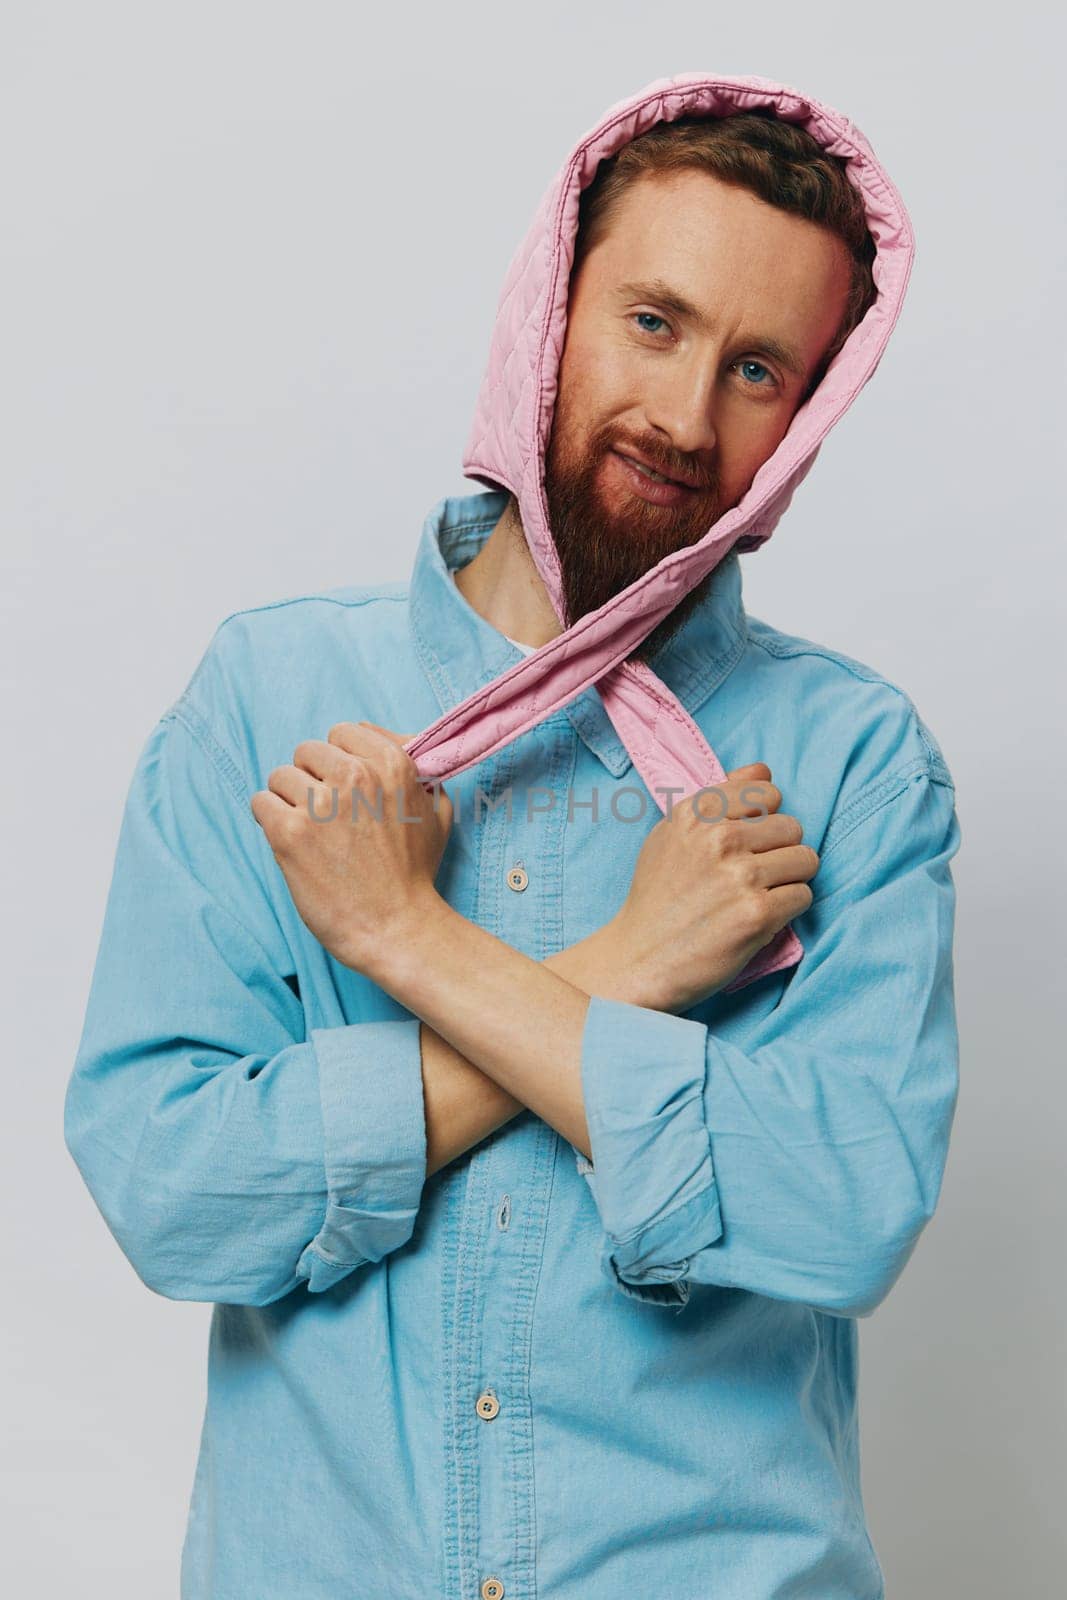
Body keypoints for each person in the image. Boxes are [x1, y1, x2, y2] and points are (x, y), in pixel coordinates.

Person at [64, 74, 961, 1599]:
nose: (684, 420)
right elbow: (172, 1195)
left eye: (757, 369)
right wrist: (627, 968)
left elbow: (843, 1213)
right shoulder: (270, 701)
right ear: (545, 318)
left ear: (807, 417)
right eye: (653, 324)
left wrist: (403, 936)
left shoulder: (854, 766)